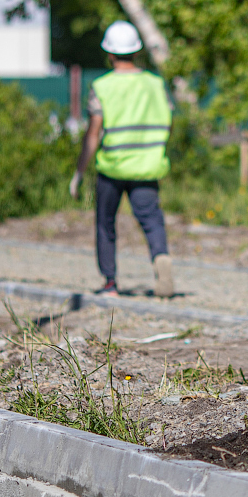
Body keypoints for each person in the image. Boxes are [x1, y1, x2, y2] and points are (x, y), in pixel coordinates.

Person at [70, 21, 175, 297]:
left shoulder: (103, 86)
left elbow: (93, 133)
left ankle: (110, 283)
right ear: (137, 51)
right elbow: (168, 121)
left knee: (106, 223)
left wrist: (79, 172)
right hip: (147, 167)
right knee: (152, 220)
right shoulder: (155, 84)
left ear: (110, 54)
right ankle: (161, 258)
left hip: (113, 167)